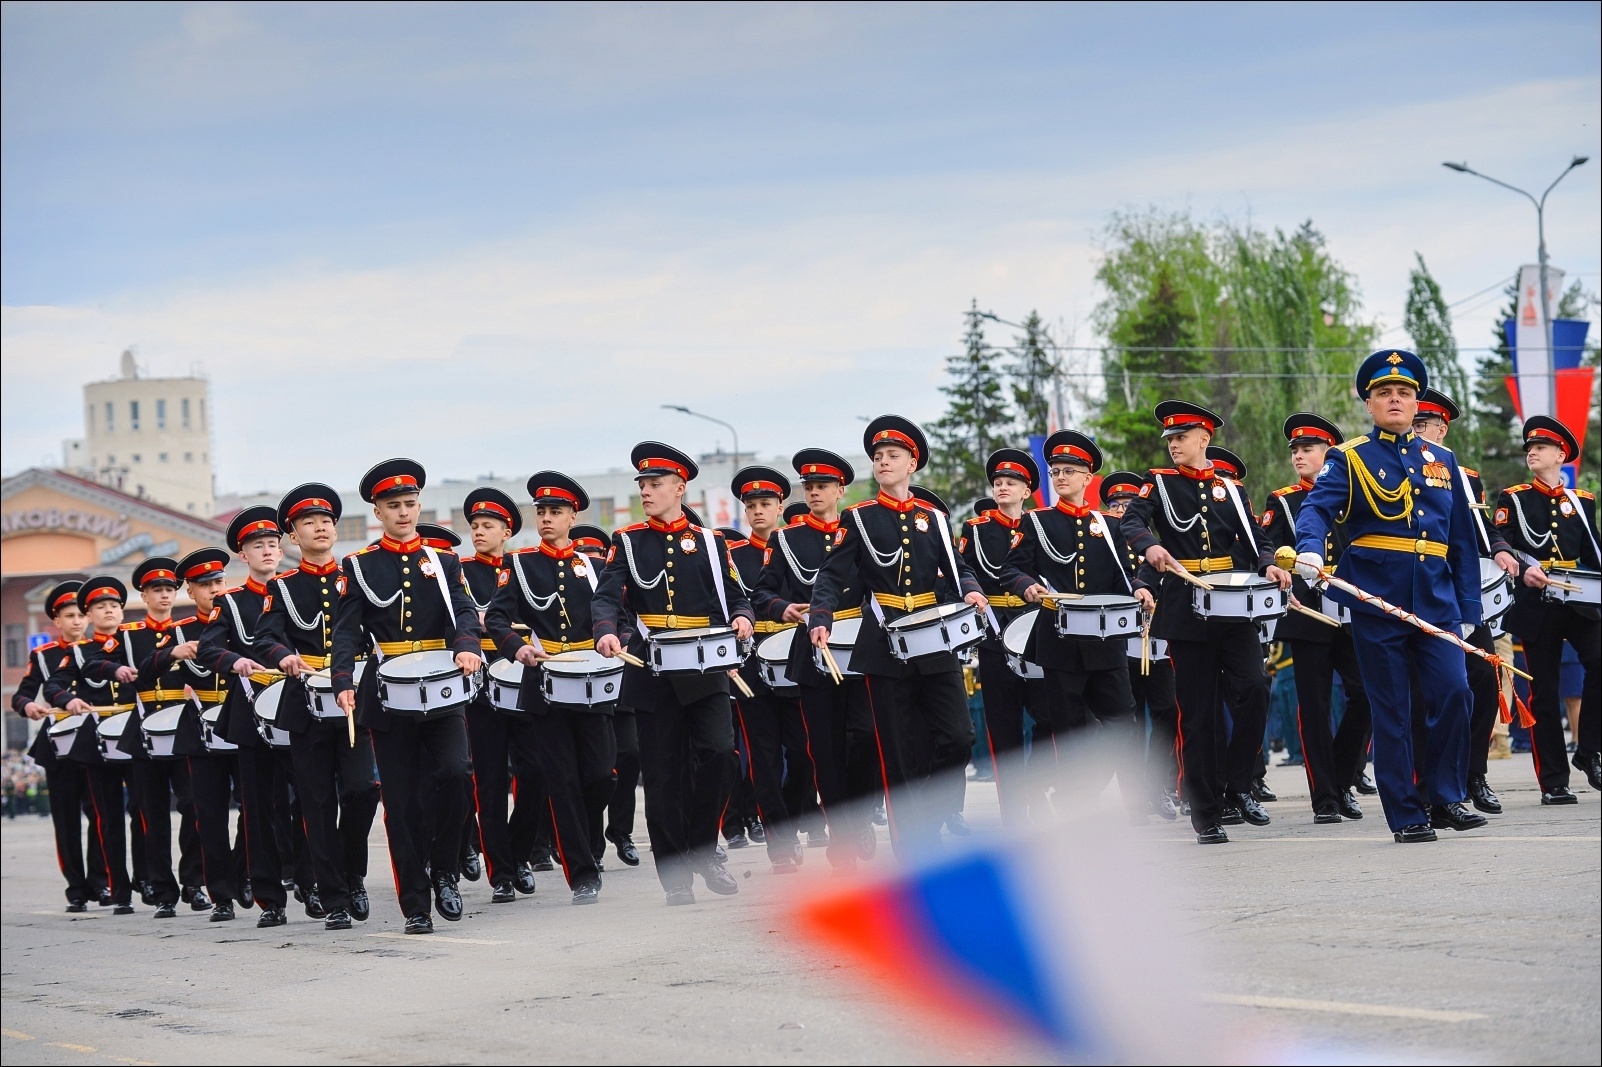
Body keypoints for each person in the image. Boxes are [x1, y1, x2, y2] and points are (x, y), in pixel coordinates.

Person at [1294, 350, 1485, 843]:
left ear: (1416, 402)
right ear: (1370, 403)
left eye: (1403, 392)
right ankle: (1407, 813)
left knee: (1455, 693)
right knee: (1393, 709)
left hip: (1438, 601)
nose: (1395, 399)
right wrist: (1311, 551)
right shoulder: (1351, 457)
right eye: (1384, 393)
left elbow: (1462, 540)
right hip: (1377, 600)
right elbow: (1315, 510)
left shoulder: (1443, 461)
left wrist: (1469, 612)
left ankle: (1445, 795)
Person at [807, 416, 987, 858]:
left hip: (934, 638)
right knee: (900, 752)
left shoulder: (934, 518)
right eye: (878, 457)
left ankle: (931, 811)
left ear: (912, 464)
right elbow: (831, 575)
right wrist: (821, 615)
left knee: (958, 737)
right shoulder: (860, 517)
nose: (883, 462)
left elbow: (957, 567)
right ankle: (914, 845)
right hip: (886, 645)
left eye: (892, 456)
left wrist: (973, 590)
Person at [592, 442, 755, 905]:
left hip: (706, 667)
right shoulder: (626, 541)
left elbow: (736, 594)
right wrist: (607, 631)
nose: (646, 491)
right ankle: (676, 878)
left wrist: (742, 617)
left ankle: (703, 847)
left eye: (655, 484)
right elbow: (607, 597)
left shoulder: (710, 542)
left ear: (680, 488)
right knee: (663, 778)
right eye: (642, 484)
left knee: (722, 754)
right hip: (652, 670)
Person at [1120, 402, 1289, 844]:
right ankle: (1206, 812)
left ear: (1204, 439)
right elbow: (1133, 521)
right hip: (1184, 609)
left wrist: (1269, 564)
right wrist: (1148, 546)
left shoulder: (1229, 489)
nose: (1174, 444)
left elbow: (1258, 538)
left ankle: (1238, 785)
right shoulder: (1157, 483)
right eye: (1170, 439)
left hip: (1232, 606)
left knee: (1254, 688)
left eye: (1182, 437)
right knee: (1197, 717)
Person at [331, 459, 484, 934]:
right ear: (377, 511)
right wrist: (342, 682)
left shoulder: (444, 562)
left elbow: (464, 613)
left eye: (409, 503)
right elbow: (345, 632)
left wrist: (466, 647)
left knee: (457, 776)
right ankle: (415, 904)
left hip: (441, 686)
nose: (403, 512)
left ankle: (444, 870)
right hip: (388, 694)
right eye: (393, 505)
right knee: (401, 804)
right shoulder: (358, 566)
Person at [998, 431, 1149, 811]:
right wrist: (1028, 586)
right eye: (1055, 471)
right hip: (1059, 641)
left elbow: (1122, 577)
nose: (1061, 477)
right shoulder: (1037, 522)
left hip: (1104, 642)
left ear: (1088, 478)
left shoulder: (1111, 527)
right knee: (1068, 732)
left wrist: (1139, 589)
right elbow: (1011, 569)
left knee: (1121, 724)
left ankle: (1082, 789)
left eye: (1069, 471)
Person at [255, 484, 382, 930]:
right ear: (293, 536)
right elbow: (266, 636)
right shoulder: (284, 587)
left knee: (363, 790)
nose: (321, 527)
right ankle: (335, 899)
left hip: (354, 700)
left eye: (326, 520)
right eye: (309, 522)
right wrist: (282, 656)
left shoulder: (358, 573)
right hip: (307, 706)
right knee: (317, 803)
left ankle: (353, 873)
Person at [485, 472, 614, 905]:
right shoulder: (519, 565)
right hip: (544, 685)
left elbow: (622, 616)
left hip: (593, 683)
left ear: (573, 516)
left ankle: (587, 847)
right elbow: (497, 620)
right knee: (560, 781)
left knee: (598, 776)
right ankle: (582, 873)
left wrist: (616, 637)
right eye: (540, 512)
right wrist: (517, 648)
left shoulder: (597, 568)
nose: (545, 518)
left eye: (554, 512)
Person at [751, 447, 877, 872]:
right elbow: (762, 592)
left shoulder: (861, 528)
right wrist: (780, 607)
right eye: (808, 486)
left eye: (822, 485)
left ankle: (859, 815)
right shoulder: (787, 539)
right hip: (814, 649)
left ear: (840, 489)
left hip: (859, 647)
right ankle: (841, 833)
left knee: (864, 737)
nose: (814, 492)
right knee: (823, 749)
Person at [1411, 391, 1524, 813]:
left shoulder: (1463, 474)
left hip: (1461, 594)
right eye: (1414, 423)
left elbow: (1476, 529)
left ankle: (1474, 775)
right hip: (1419, 589)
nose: (1417, 429)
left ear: (1442, 429)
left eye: (1425, 424)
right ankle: (1425, 787)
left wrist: (1500, 548)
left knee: (1481, 677)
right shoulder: (1397, 467)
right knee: (1422, 692)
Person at [1258, 412, 1373, 824]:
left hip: (1352, 607)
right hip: (1305, 613)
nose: (1299, 456)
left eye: (1308, 448)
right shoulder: (1283, 500)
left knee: (1367, 695)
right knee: (1314, 706)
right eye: (1295, 450)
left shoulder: (1355, 493)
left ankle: (1342, 778)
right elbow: (1266, 548)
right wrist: (1277, 574)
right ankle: (1325, 796)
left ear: (1330, 454)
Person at [198, 507, 297, 925]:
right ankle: (269, 898)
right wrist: (234, 661)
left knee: (306, 801)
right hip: (253, 712)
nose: (268, 552)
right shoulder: (233, 602)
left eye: (273, 544)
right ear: (243, 554)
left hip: (298, 706)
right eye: (259, 546)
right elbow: (208, 649)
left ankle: (311, 881)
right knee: (257, 808)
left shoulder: (296, 589)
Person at [1493, 416, 1600, 801]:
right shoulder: (1515, 497)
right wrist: (1524, 568)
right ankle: (1553, 782)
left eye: (1540, 448)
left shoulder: (1582, 501)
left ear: (1561, 455)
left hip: (1580, 601)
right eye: (1529, 449)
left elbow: (1593, 554)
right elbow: (1500, 542)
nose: (1532, 453)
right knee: (1545, 690)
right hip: (1537, 604)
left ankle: (1589, 751)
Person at [452, 487, 545, 903]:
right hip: (480, 682)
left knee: (536, 771)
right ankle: (502, 872)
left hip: (523, 677)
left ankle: (519, 853)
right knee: (489, 781)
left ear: (507, 531)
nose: (478, 532)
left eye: (487, 526)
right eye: (474, 526)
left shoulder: (523, 568)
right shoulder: (460, 570)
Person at [722, 465, 809, 873]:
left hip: (797, 658)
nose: (757, 511)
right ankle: (780, 841)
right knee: (764, 755)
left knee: (805, 751)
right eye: (751, 505)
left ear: (781, 507)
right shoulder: (732, 556)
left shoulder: (797, 546)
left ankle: (794, 816)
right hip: (752, 662)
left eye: (765, 504)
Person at [958, 448, 1047, 824]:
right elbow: (963, 570)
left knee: (1050, 715)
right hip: (996, 632)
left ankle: (1037, 786)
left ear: (1026, 490)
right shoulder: (977, 529)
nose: (1002, 488)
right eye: (997, 483)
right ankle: (1013, 807)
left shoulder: (1040, 526)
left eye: (1011, 483)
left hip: (1037, 629)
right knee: (1003, 724)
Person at [42, 577, 141, 913]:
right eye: (101, 606)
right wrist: (67, 699)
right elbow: (54, 685)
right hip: (98, 744)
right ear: (89, 614)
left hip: (138, 738)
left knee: (144, 813)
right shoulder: (80, 652)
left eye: (114, 605)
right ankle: (117, 889)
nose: (109, 610)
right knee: (107, 818)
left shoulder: (136, 641)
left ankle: (151, 879)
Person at [116, 557, 207, 918]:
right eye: (157, 590)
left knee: (193, 806)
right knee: (151, 813)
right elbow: (131, 679)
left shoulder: (188, 629)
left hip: (184, 725)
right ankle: (162, 888)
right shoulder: (129, 635)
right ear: (144, 594)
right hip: (145, 727)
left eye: (170, 589)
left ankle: (193, 882)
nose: (165, 596)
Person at [13, 581, 105, 911]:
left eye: (82, 614)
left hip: (95, 744)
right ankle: (76, 889)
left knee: (101, 816)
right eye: (70, 615)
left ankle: (101, 881)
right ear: (57, 621)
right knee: (65, 821)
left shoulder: (104, 649)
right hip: (59, 745)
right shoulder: (44, 655)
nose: (77, 621)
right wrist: (29, 707)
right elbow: (21, 694)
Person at [176, 547, 251, 922]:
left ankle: (242, 873)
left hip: (240, 721)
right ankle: (220, 893)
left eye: (220, 581)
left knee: (253, 809)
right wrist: (170, 656)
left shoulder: (242, 619)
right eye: (205, 585)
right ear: (190, 591)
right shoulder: (181, 631)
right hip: (202, 730)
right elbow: (146, 672)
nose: (215, 589)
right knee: (209, 815)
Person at [1100, 471, 1180, 820]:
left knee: (1166, 717)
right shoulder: (1104, 547)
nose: (1121, 511)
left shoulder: (1159, 545)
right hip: (1123, 644)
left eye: (1128, 506)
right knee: (1127, 721)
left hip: (1159, 643)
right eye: (1115, 506)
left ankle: (1161, 786)